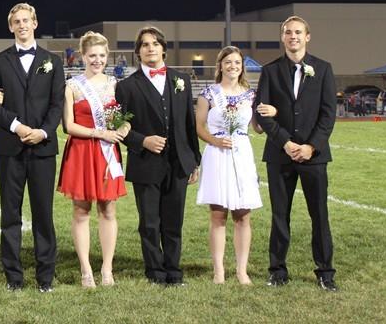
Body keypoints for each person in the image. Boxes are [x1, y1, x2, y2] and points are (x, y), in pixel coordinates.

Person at [0, 3, 64, 292]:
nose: (22, 25)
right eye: (16, 21)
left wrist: (42, 131)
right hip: (10, 147)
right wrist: (17, 126)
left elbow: (57, 104)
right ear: (10, 27)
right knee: (10, 215)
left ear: (35, 22)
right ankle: (13, 278)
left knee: (44, 214)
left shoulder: (53, 61)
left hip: (43, 149)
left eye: (26, 20)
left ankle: (45, 278)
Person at [255, 16, 337, 291]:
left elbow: (328, 115)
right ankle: (277, 271)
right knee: (280, 215)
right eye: (288, 32)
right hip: (280, 155)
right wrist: (286, 143)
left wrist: (311, 146)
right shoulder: (270, 71)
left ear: (307, 36)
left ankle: (325, 272)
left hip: (314, 156)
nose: (293, 37)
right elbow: (262, 113)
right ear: (282, 37)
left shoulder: (323, 69)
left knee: (320, 215)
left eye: (298, 32)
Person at [116, 26, 200, 285]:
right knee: (150, 222)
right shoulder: (126, 86)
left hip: (178, 163)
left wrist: (195, 160)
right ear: (138, 52)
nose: (150, 48)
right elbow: (118, 129)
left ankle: (174, 271)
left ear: (163, 48)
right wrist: (143, 141)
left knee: (174, 221)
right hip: (146, 163)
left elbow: (189, 123)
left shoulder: (181, 80)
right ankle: (155, 271)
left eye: (154, 43)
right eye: (144, 44)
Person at [57, 32, 127, 287]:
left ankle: (107, 268)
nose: (97, 60)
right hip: (82, 151)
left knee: (108, 209)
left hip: (107, 153)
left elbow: (126, 118)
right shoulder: (73, 86)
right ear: (83, 56)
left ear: (107, 57)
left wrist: (123, 130)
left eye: (101, 56)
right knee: (81, 211)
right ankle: (86, 269)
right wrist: (100, 132)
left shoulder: (115, 84)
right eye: (92, 56)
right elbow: (69, 125)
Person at [195, 46, 265, 285]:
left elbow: (257, 126)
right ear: (220, 65)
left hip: (242, 155)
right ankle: (218, 271)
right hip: (217, 154)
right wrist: (215, 140)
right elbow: (199, 127)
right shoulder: (209, 94)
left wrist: (270, 114)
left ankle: (241, 270)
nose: (233, 66)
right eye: (228, 62)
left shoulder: (251, 95)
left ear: (242, 66)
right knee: (218, 215)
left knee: (243, 215)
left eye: (237, 62)